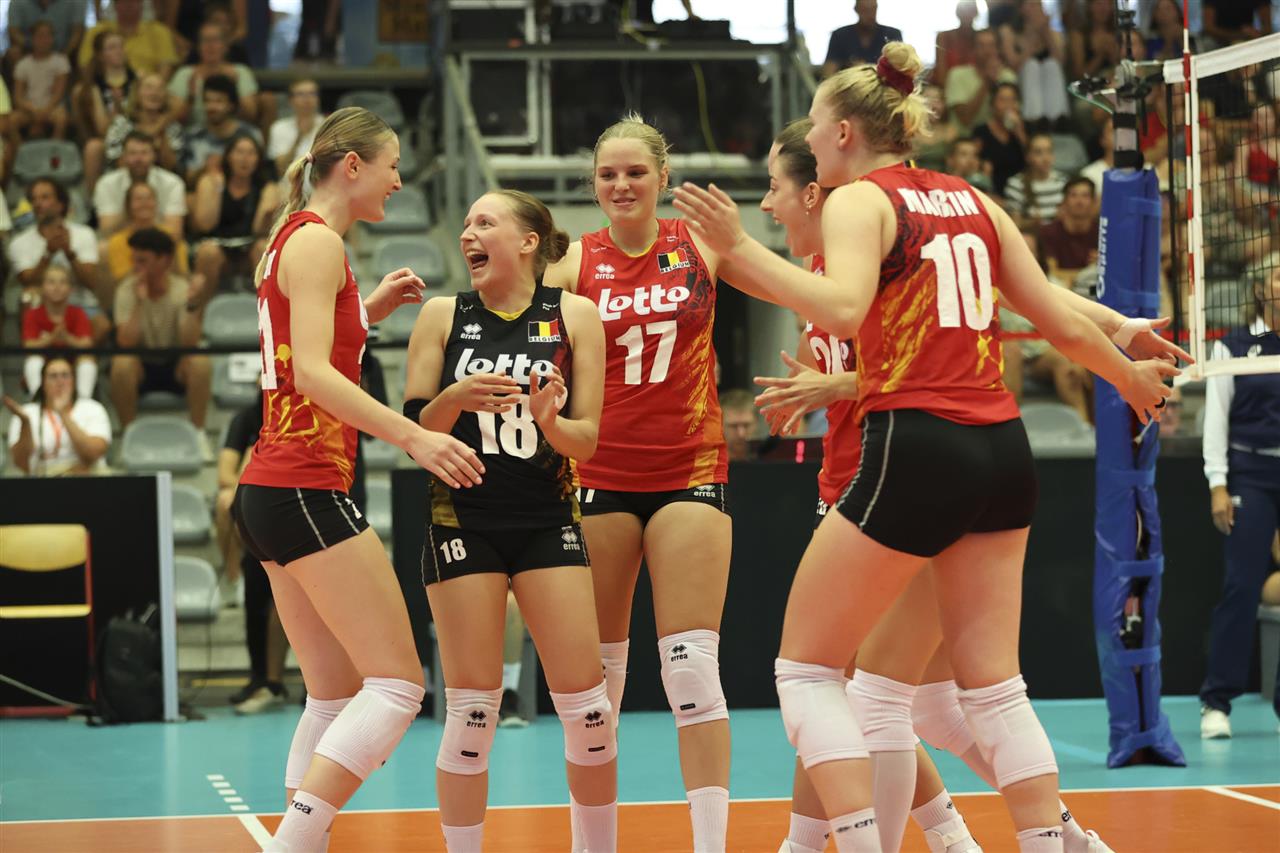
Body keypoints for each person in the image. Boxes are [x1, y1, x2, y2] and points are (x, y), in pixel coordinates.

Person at [675, 41, 1176, 853]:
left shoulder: (858, 200)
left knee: (807, 670)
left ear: (842, 133)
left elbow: (842, 309)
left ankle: (850, 842)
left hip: (920, 444)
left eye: (814, 125)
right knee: (994, 688)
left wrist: (736, 241)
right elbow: (1051, 312)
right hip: (1003, 449)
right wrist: (1126, 368)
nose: (810, 139)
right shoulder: (974, 199)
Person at [230, 106, 483, 853]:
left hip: (272, 488)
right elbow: (310, 374)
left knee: (333, 693)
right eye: (391, 166)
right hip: (303, 483)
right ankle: (293, 843)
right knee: (398, 685)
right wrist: (413, 434)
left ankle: (301, 843)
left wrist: (363, 313)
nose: (398, 181)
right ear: (352, 166)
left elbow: (299, 349)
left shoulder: (293, 238)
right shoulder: (318, 243)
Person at [542, 112, 735, 853]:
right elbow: (518, 331)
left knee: (691, 673)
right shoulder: (573, 263)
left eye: (634, 172)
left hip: (690, 469)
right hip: (598, 475)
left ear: (662, 176)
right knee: (594, 692)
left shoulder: (702, 245)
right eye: (607, 174)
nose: (620, 185)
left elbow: (807, 289)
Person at [403, 188, 615, 853]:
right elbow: (413, 431)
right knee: (472, 713)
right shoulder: (442, 315)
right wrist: (455, 396)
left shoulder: (575, 314)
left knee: (590, 712)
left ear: (528, 242)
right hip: (462, 521)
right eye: (465, 222)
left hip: (548, 517)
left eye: (484, 222)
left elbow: (586, 441)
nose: (468, 232)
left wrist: (551, 421)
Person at [1200, 256, 1280, 738]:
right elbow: (1216, 418)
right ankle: (1217, 701)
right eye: (1277, 275)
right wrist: (1218, 483)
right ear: (1260, 289)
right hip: (1250, 472)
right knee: (1242, 585)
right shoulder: (1233, 346)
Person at [108, 227, 211, 434]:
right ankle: (129, 434)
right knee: (121, 363)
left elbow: (190, 343)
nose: (136, 267)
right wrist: (139, 303)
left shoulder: (182, 290)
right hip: (141, 366)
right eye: (134, 260)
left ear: (164, 260)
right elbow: (125, 342)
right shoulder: (126, 290)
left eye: (142, 261)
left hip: (175, 365)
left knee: (200, 361)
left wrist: (193, 304)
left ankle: (198, 434)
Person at [190, 130, 278, 293]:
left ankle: (265, 305)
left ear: (258, 159)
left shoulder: (267, 187)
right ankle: (202, 306)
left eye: (251, 153)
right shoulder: (210, 182)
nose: (245, 159)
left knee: (264, 248)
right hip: (217, 244)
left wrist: (267, 213)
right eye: (239, 152)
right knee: (208, 252)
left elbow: (259, 230)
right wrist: (217, 189)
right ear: (228, 156)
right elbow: (205, 224)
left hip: (249, 246)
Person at [4, 355, 111, 476]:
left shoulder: (93, 408)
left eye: (65, 375)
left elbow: (93, 454)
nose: (60, 382)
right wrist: (25, 423)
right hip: (43, 480)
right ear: (43, 383)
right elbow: (21, 464)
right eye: (53, 376)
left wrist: (62, 413)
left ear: (74, 381)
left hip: (88, 479)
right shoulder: (27, 413)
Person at [9, 178, 102, 311]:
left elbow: (91, 282)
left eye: (45, 197)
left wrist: (70, 254)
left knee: (101, 321)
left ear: (61, 204)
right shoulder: (19, 242)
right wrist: (48, 254)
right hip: (42, 309)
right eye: (34, 199)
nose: (37, 204)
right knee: (27, 297)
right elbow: (28, 282)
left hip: (82, 306)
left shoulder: (84, 234)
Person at [75, 31, 138, 191]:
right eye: (111, 47)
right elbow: (102, 128)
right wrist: (116, 108)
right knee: (93, 147)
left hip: (138, 133)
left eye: (120, 46)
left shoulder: (138, 79)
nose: (119, 51)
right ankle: (95, 201)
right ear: (100, 55)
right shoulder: (93, 87)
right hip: (109, 139)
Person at [22, 265, 96, 398]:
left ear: (71, 289)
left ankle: (84, 401)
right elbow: (29, 345)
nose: (57, 287)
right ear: (42, 287)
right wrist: (52, 338)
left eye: (62, 282)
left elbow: (87, 343)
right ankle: (37, 400)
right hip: (45, 362)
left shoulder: (78, 313)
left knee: (87, 360)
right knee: (33, 360)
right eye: (51, 282)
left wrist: (67, 338)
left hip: (72, 362)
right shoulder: (32, 314)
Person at [94, 130, 187, 237]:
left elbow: (174, 232)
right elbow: (107, 231)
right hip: (122, 240)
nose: (138, 159)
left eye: (144, 153)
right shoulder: (107, 184)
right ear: (123, 157)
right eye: (133, 153)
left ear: (154, 156)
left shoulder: (172, 183)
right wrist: (132, 210)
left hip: (160, 240)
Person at [168, 20, 259, 127]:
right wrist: (190, 97)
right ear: (198, 46)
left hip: (233, 132)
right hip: (194, 133)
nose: (210, 45)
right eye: (205, 40)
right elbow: (174, 119)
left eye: (216, 40)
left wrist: (234, 90)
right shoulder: (185, 74)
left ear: (226, 46)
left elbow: (251, 116)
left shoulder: (240, 72)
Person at [104, 181, 190, 291]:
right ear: (128, 206)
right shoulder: (117, 241)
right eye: (138, 199)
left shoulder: (170, 236)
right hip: (132, 290)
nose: (144, 203)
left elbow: (182, 275)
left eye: (149, 198)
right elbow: (120, 282)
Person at [997, 0, 1070, 131]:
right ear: (1021, 9)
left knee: (1051, 65)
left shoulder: (1053, 32)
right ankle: (1034, 121)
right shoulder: (1008, 31)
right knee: (1032, 66)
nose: (1036, 9)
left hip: (1047, 83)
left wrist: (1045, 32)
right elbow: (1013, 65)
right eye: (1031, 5)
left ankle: (1058, 119)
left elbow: (1060, 61)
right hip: (1021, 78)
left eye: (1038, 5)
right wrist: (1031, 37)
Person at [182, 73, 262, 187]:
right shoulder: (193, 136)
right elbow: (187, 181)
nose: (211, 107)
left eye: (218, 101)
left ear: (231, 105)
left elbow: (260, 176)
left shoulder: (251, 134)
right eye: (207, 101)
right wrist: (205, 168)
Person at [78, 0, 180, 78]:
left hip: (146, 90)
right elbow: (85, 66)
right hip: (104, 87)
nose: (129, 5)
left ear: (141, 4)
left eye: (133, 1)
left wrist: (149, 87)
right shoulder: (96, 31)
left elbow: (166, 69)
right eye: (124, 1)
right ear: (115, 5)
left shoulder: (159, 31)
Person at [944, 29, 1017, 135]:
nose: (987, 50)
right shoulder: (957, 75)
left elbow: (1011, 119)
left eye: (991, 45)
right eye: (981, 45)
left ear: (998, 49)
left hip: (998, 140)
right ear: (973, 49)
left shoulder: (1008, 76)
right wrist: (986, 82)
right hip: (964, 139)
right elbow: (965, 119)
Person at [12, 21, 70, 140]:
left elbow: (58, 94)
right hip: (29, 110)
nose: (44, 40)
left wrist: (45, 110)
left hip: (52, 109)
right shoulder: (22, 65)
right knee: (12, 120)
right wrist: (32, 109)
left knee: (61, 118)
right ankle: (18, 149)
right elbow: (18, 97)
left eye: (48, 36)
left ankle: (56, 147)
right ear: (32, 39)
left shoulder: (61, 62)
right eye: (40, 36)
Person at [1039, 177, 1099, 289]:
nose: (1079, 201)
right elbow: (1053, 273)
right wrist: (1091, 271)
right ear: (1064, 201)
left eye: (1085, 196)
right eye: (1073, 195)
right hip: (1061, 290)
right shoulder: (1048, 232)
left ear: (1094, 202)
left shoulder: (1103, 233)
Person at [974, 81, 1027, 196]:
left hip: (1020, 191)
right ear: (992, 105)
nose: (1008, 105)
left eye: (1012, 100)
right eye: (1003, 100)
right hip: (991, 192)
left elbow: (1033, 159)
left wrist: (1019, 132)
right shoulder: (981, 132)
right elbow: (974, 164)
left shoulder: (1025, 129)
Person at [823, 0, 903, 78]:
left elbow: (901, 69)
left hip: (884, 85)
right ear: (856, 10)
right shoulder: (840, 35)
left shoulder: (892, 35)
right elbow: (828, 72)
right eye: (865, 10)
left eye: (873, 9)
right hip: (849, 84)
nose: (870, 15)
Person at [1004, 133, 1067, 226]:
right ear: (1028, 157)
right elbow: (1014, 224)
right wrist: (1032, 223)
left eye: (1049, 151)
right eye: (1038, 153)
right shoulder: (1016, 184)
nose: (1046, 158)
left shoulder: (1063, 181)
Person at [268, 78, 324, 178]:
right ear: (290, 100)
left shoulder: (328, 125)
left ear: (318, 99)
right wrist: (299, 137)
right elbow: (281, 169)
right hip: (290, 182)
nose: (307, 99)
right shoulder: (279, 127)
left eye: (312, 94)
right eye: (301, 94)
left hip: (321, 182)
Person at [6, 0, 85, 62]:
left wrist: (64, 55)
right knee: (14, 52)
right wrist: (37, 47)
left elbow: (78, 32)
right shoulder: (17, 2)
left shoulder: (76, 2)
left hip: (65, 52)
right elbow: (13, 32)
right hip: (29, 52)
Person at [932, 1, 980, 86]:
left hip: (976, 88)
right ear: (957, 13)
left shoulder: (981, 38)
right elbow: (941, 74)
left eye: (970, 10)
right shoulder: (944, 37)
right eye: (964, 10)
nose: (967, 14)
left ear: (976, 13)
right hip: (948, 88)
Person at [719, 388, 758, 461]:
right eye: (733, 426)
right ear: (720, 425)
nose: (741, 434)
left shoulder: (770, 456)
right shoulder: (705, 463)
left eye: (746, 425)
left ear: (756, 423)